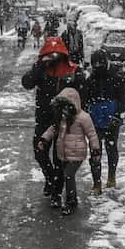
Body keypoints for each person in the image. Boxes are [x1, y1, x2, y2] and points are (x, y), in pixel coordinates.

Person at [22, 36, 87, 198]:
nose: (53, 58)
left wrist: (74, 113)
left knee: (60, 158)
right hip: (44, 119)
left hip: (65, 121)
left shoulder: (73, 71)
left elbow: (83, 94)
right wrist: (39, 66)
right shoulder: (41, 70)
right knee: (40, 152)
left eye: (56, 54)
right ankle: (50, 179)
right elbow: (27, 83)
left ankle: (56, 192)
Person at [36, 87, 100, 215]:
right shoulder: (61, 117)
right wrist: (44, 139)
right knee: (64, 175)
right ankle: (63, 197)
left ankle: (71, 201)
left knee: (69, 175)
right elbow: (53, 129)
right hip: (63, 152)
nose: (64, 108)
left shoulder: (83, 117)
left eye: (67, 105)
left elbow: (92, 134)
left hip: (77, 152)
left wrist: (95, 150)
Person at [84, 49, 125, 194]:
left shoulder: (115, 78)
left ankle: (110, 177)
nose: (98, 66)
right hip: (95, 121)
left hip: (111, 120)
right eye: (95, 64)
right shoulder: (90, 81)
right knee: (96, 152)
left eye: (100, 63)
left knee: (110, 149)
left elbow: (124, 100)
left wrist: (116, 114)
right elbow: (84, 102)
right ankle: (97, 183)